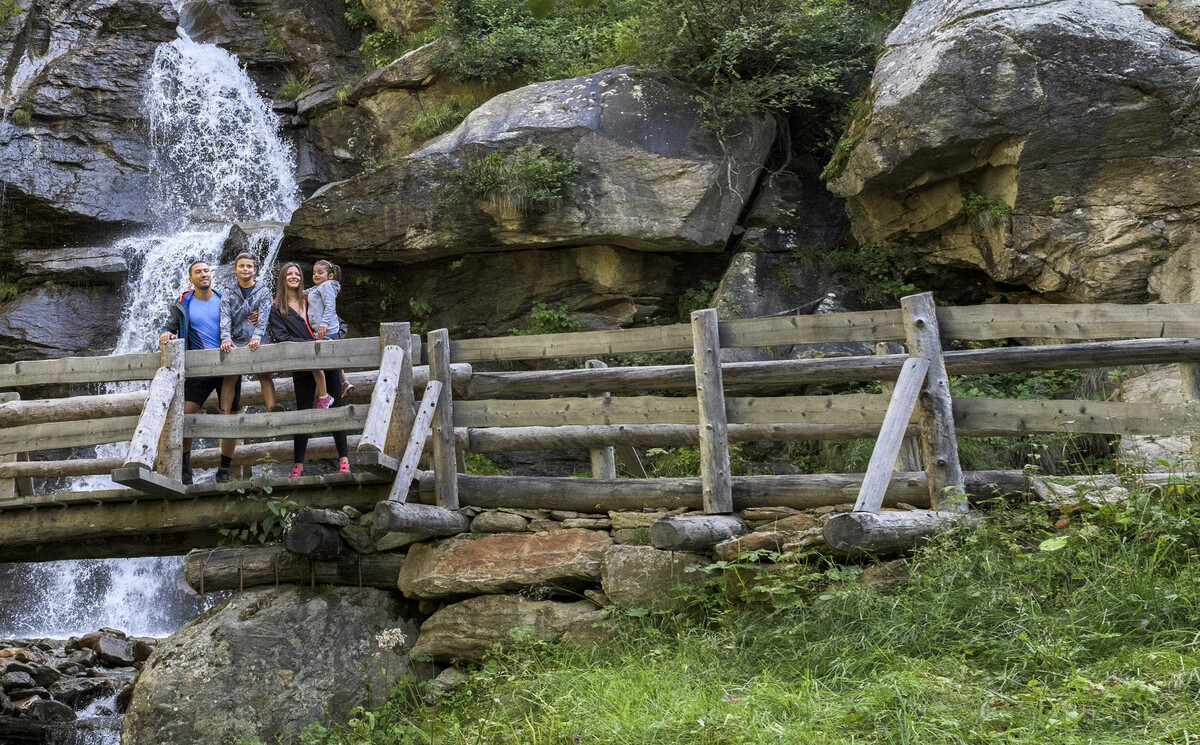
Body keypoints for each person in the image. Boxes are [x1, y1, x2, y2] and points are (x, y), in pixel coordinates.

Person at [158, 260, 239, 484]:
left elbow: (241, 322)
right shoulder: (184, 302)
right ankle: (185, 468)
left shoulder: (225, 300)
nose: (203, 274)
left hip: (228, 365)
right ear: (190, 278)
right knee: (184, 415)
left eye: (206, 271)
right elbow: (169, 325)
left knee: (230, 417)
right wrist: (166, 333)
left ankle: (224, 469)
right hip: (198, 367)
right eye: (198, 272)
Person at [267, 262, 350, 477]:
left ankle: (344, 460)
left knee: (336, 408)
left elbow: (338, 322)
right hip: (302, 364)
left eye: (297, 274)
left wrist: (335, 337)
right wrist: (309, 345)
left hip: (327, 359)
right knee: (303, 410)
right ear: (283, 279)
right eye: (289, 274)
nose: (294, 277)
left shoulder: (311, 297)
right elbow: (280, 337)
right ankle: (298, 465)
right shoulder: (277, 307)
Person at [218, 252, 277, 414]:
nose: (245, 269)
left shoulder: (263, 291)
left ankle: (272, 409)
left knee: (264, 373)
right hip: (235, 339)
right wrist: (226, 339)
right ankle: (224, 412)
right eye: (242, 266)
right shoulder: (228, 292)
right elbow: (225, 317)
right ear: (235, 269)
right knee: (231, 376)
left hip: (258, 340)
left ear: (255, 270)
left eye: (249, 266)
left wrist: (257, 336)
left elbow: (264, 316)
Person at [308, 260, 353, 397]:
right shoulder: (318, 287)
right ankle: (344, 383)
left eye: (320, 273)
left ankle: (327, 393)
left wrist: (324, 323)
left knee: (321, 358)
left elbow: (330, 306)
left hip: (326, 328)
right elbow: (305, 292)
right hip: (322, 329)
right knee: (331, 355)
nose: (316, 275)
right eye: (314, 272)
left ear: (330, 276)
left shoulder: (327, 286)